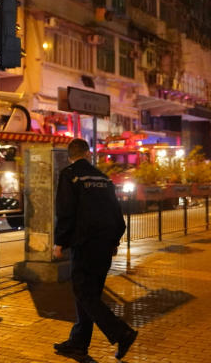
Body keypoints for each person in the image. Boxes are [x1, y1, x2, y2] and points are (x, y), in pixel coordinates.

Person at [52, 138, 137, 360]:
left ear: (70, 155)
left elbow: (65, 211)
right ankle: (78, 343)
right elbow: (116, 212)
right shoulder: (103, 178)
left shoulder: (70, 175)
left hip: (85, 244)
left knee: (83, 293)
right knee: (90, 295)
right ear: (88, 154)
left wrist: (60, 241)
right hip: (105, 245)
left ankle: (122, 333)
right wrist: (115, 240)